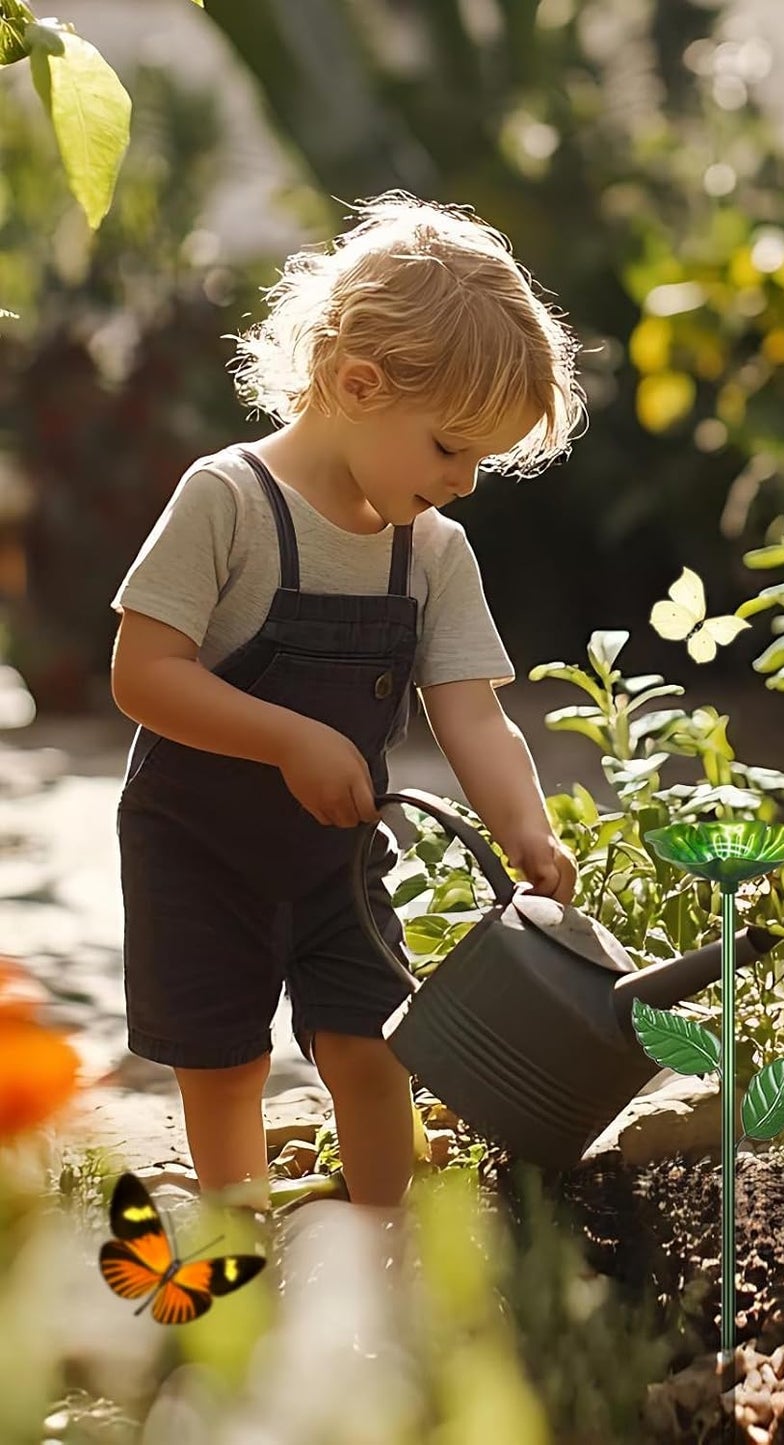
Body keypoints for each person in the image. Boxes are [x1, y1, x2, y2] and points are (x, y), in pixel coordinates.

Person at [108, 193, 583, 1219]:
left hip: (336, 859)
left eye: (479, 462)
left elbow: (473, 715)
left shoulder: (432, 552)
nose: (461, 482)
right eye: (450, 449)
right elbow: (142, 674)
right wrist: (286, 736)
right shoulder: (226, 500)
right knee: (225, 1063)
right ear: (358, 384)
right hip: (198, 851)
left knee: (372, 1049)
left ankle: (381, 1251)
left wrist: (527, 829)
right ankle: (239, 1247)